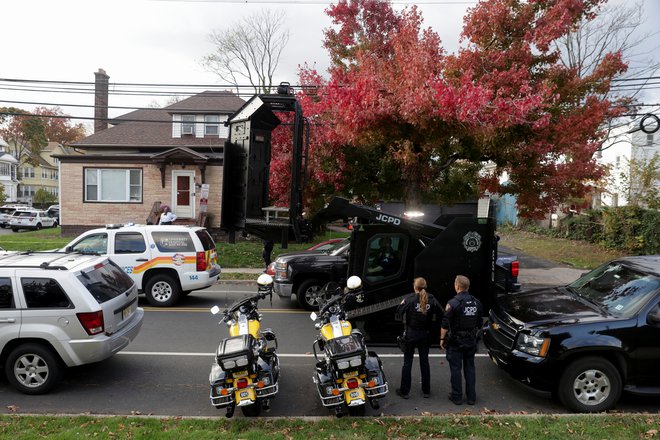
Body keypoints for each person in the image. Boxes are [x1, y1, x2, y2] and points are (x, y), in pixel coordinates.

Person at [395, 277, 442, 399]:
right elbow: (440, 314)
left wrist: (401, 305)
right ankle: (426, 391)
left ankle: (405, 391)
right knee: (424, 362)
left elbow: (398, 312)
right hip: (425, 334)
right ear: (425, 286)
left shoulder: (409, 299)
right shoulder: (431, 299)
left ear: (414, 287)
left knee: (407, 363)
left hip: (411, 334)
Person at [440, 275, 483, 406]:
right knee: (470, 368)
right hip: (471, 340)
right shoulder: (477, 303)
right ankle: (471, 398)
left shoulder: (453, 303)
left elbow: (445, 323)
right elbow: (480, 323)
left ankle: (457, 397)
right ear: (467, 287)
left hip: (456, 342)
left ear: (457, 286)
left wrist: (442, 339)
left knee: (456, 368)